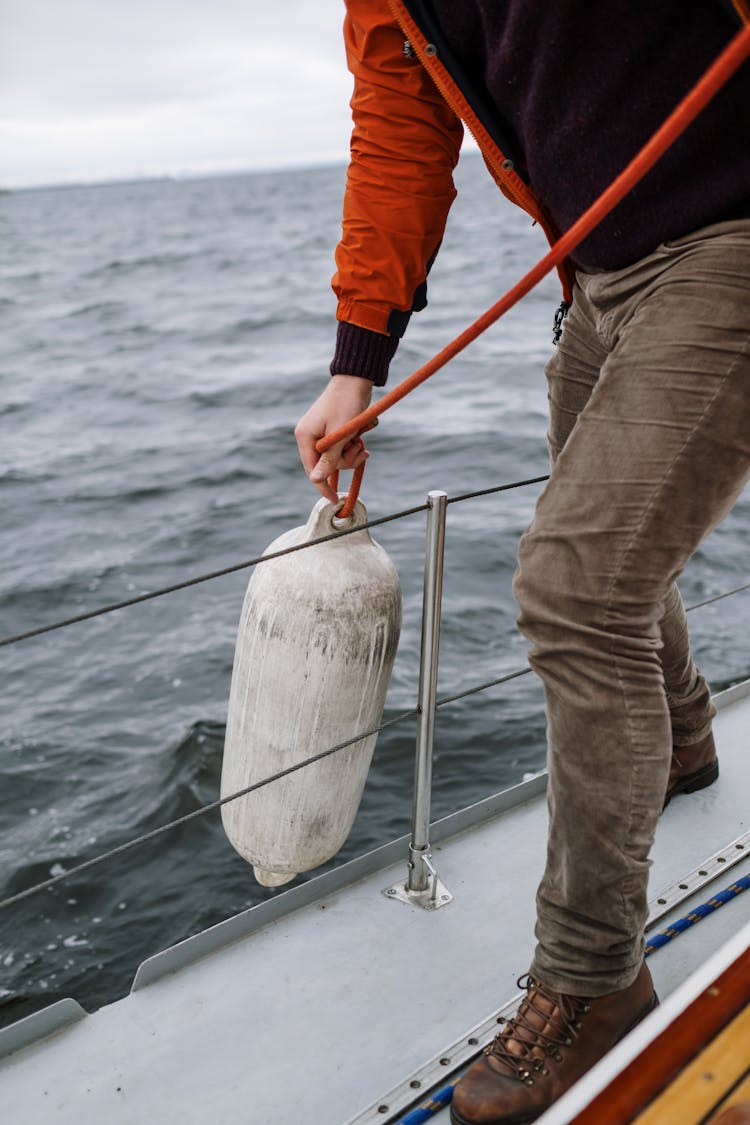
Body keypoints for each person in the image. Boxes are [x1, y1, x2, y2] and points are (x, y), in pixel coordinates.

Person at [294, 4, 750, 1123]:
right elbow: (402, 139)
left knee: (579, 586)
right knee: (603, 540)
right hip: (599, 273)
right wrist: (358, 364)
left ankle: (594, 978)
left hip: (734, 239)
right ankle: (682, 734)